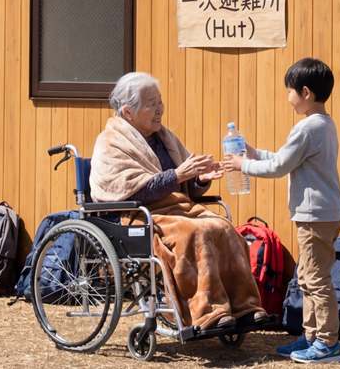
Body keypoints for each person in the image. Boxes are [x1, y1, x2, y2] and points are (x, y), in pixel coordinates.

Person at [89, 72, 268, 331]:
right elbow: (130, 192)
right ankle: (207, 311)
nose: (160, 109)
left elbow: (184, 187)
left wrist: (199, 179)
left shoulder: (164, 136)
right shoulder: (110, 142)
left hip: (177, 207)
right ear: (128, 112)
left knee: (222, 227)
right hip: (136, 215)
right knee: (193, 232)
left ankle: (245, 307)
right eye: (152, 104)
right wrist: (179, 174)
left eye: (160, 101)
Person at [224, 57, 340, 364]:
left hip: (315, 216)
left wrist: (243, 165)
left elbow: (279, 167)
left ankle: (328, 344)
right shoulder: (323, 124)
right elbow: (285, 158)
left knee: (316, 280)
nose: (288, 98)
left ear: (305, 92)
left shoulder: (306, 128)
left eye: (290, 91)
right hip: (321, 213)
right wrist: (254, 153)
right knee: (306, 277)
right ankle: (311, 337)